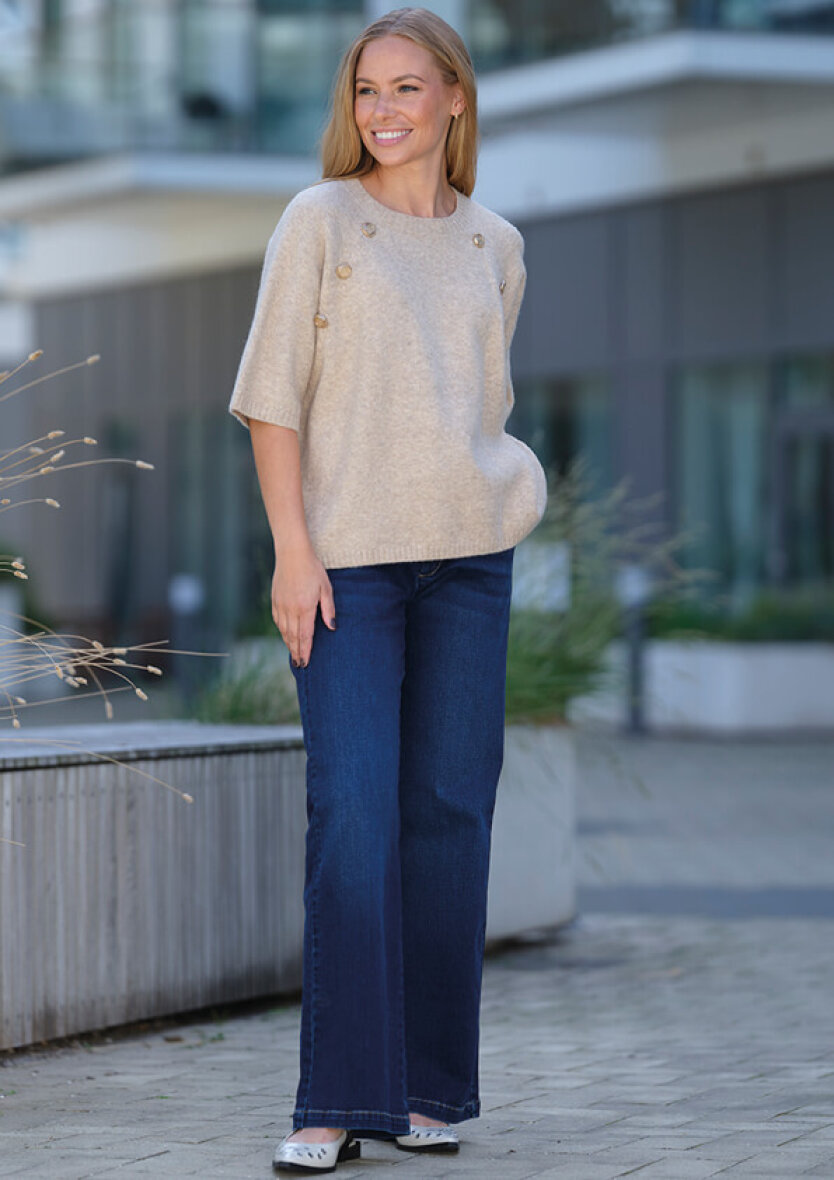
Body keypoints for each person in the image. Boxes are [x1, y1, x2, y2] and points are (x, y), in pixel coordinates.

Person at [228, 7, 547, 1174]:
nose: (385, 111)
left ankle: (423, 1090)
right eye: (368, 90)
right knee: (354, 816)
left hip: (471, 558)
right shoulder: (320, 220)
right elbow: (273, 398)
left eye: (409, 88)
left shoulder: (495, 244)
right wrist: (293, 548)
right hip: (347, 565)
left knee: (450, 818)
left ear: (455, 97)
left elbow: (479, 405)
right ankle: (335, 1099)